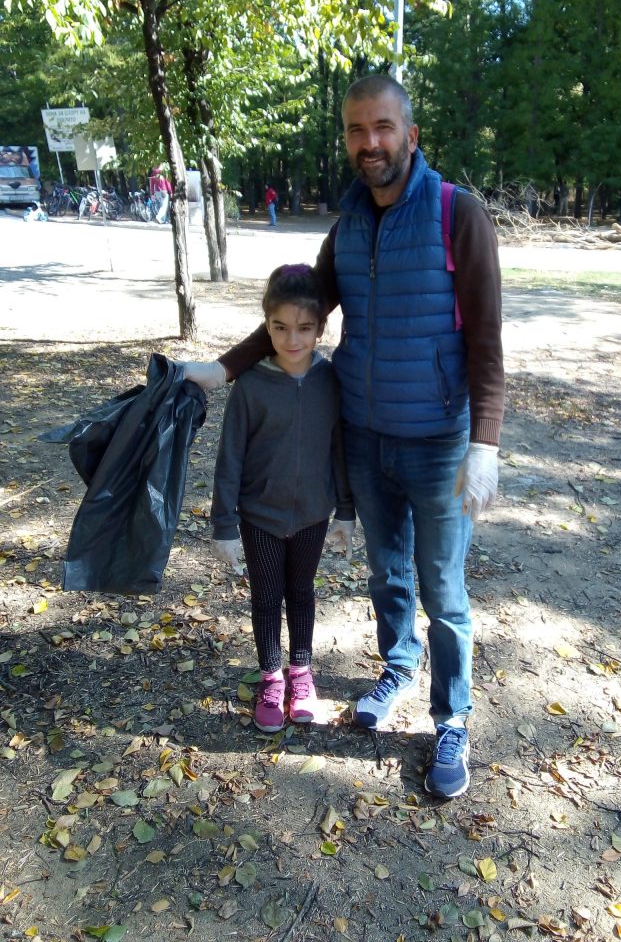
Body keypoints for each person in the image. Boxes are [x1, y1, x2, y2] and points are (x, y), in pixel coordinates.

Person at [185, 74, 504, 798]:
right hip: (364, 437)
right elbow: (303, 310)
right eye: (357, 130)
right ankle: (398, 666)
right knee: (386, 574)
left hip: (438, 444)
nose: (370, 142)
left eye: (383, 127)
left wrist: (483, 441)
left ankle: (451, 718)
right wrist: (225, 368)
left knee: (442, 587)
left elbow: (487, 341)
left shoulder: (458, 215)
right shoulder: (350, 225)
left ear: (410, 135)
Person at [210, 263, 355, 733]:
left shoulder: (330, 381)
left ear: (320, 327)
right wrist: (224, 524)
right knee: (267, 597)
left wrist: (345, 511)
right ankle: (272, 678)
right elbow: (230, 457)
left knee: (302, 593)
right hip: (260, 518)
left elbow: (340, 448)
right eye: (280, 327)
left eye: (304, 328)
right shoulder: (251, 385)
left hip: (313, 515)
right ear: (266, 325)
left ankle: (301, 673)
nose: (293, 339)